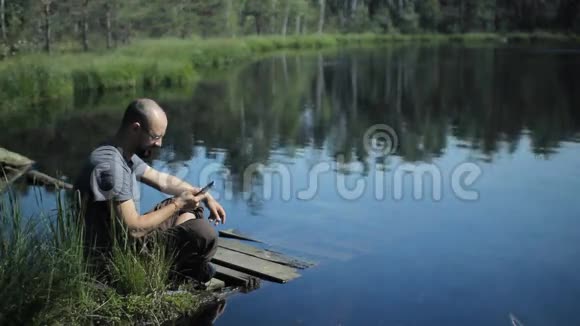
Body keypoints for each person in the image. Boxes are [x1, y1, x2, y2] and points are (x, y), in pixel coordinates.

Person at [74, 98, 226, 282]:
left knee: (193, 206)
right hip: (115, 260)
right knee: (204, 233)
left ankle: (179, 263)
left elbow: (162, 180)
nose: (160, 144)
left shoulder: (121, 152)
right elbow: (133, 229)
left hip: (126, 242)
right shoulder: (111, 166)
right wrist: (178, 204)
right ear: (135, 128)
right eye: (155, 137)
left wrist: (204, 195)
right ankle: (171, 270)